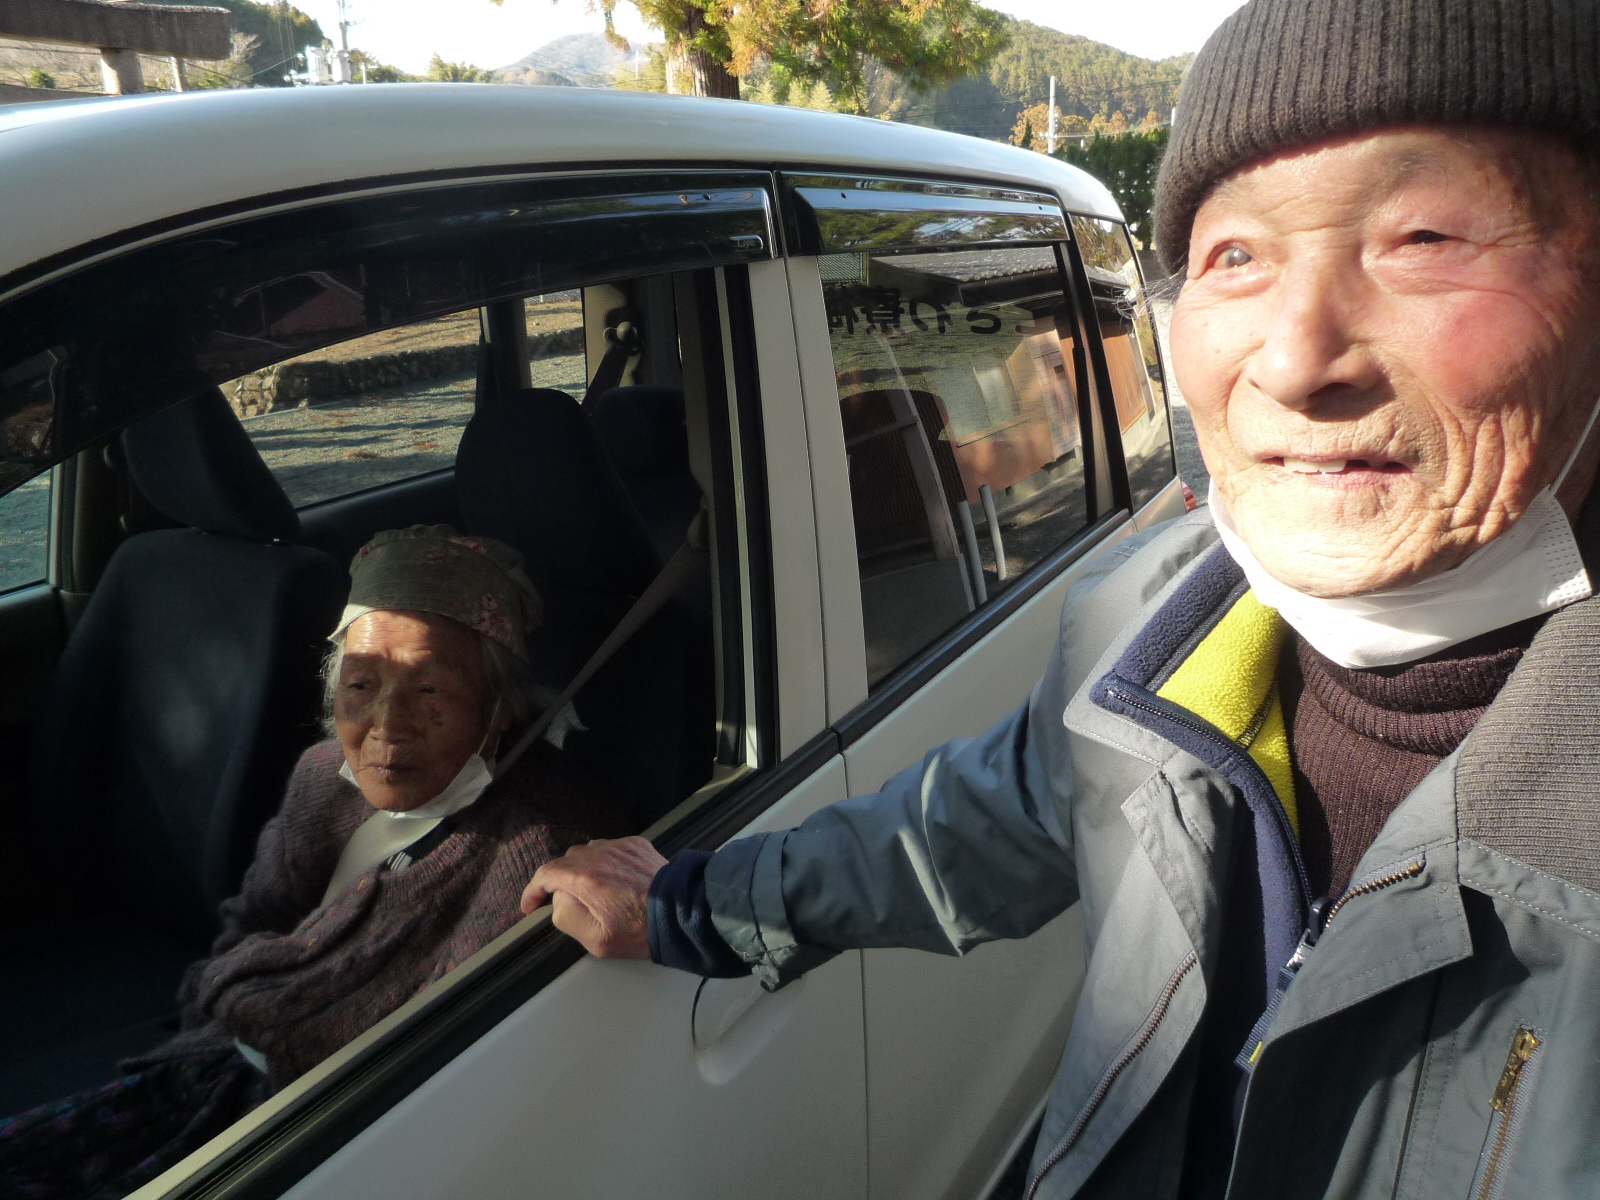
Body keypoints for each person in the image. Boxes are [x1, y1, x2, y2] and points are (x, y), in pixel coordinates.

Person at [521, 2, 1600, 1196]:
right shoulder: (1149, 635)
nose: (1297, 357)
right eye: (1234, 257)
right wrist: (688, 907)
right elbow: (964, 834)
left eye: (1423, 236)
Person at [0, 525, 623, 1200]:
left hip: (320, 1126)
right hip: (215, 1058)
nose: (386, 724)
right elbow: (253, 918)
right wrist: (212, 1027)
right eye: (361, 684)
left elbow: (443, 1072)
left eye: (430, 690)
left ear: (498, 707)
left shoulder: (543, 843)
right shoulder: (326, 777)